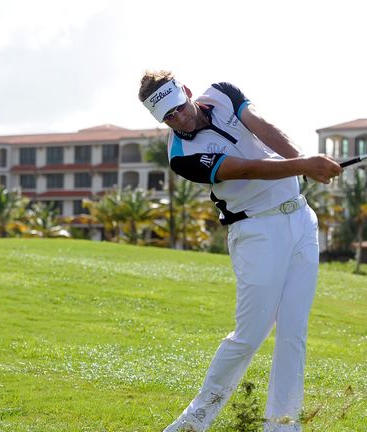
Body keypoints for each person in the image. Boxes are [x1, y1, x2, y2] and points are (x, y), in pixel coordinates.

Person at [138, 70, 342, 432]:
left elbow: (262, 128)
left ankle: (282, 425)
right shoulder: (181, 156)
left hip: (300, 219)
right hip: (256, 233)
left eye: (179, 107)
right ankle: (193, 422)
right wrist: (302, 166)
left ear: (185, 91)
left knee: (294, 331)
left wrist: (304, 159)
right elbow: (245, 169)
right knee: (250, 335)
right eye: (168, 117)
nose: (179, 118)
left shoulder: (222, 93)